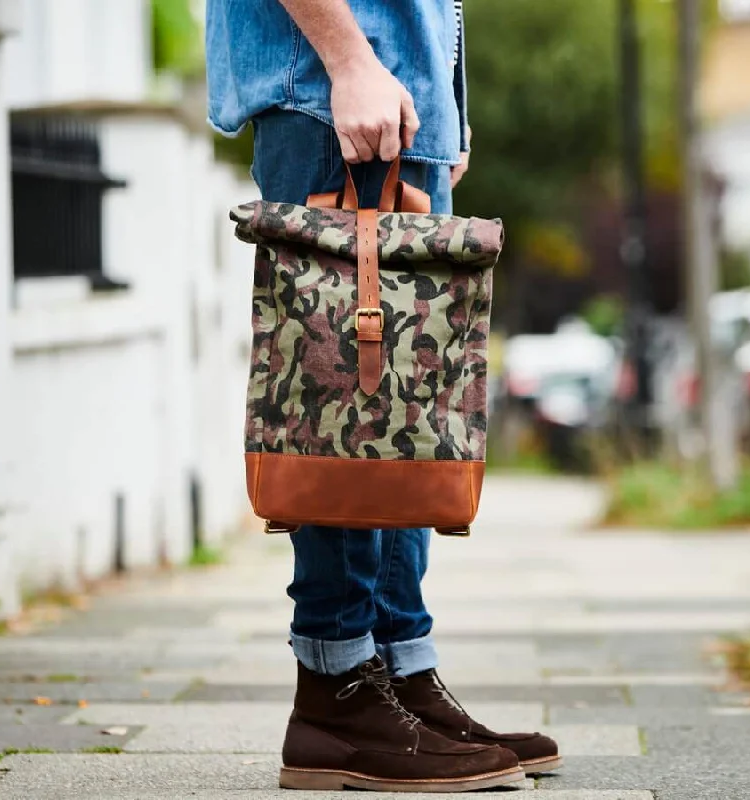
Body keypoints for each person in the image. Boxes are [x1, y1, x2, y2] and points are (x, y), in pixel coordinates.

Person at [206, 0, 561, 791]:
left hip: (396, 92)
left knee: (406, 410)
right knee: (347, 393)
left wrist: (445, 105)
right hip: (330, 85)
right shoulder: (343, 74)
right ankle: (335, 683)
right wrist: (349, 60)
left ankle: (399, 670)